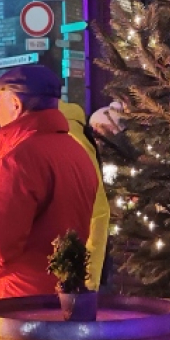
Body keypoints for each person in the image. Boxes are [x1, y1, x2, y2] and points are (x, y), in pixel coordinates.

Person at [0, 66, 99, 307]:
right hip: (62, 289)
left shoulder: (20, 159)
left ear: (15, 104)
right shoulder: (75, 151)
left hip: (15, 300)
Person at [58, 101, 110, 289]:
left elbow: (98, 211)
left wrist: (87, 282)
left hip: (67, 270)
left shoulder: (68, 136)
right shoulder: (68, 132)